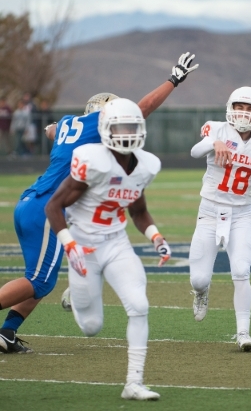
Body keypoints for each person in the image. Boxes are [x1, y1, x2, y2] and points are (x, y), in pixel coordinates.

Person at [0, 52, 198, 353]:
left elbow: (52, 130)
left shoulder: (69, 124)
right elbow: (144, 107)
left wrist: (55, 130)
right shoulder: (98, 125)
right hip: (45, 207)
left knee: (44, 277)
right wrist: (173, 80)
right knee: (39, 281)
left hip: (34, 203)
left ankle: (7, 333)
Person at [45, 98, 169, 401]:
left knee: (139, 305)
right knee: (91, 327)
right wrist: (69, 243)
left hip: (116, 243)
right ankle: (76, 296)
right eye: (119, 126)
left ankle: (133, 383)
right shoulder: (92, 160)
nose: (126, 133)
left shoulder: (146, 165)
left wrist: (156, 237)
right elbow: (54, 206)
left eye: (132, 126)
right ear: (104, 129)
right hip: (84, 247)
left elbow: (138, 211)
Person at [189, 86, 251, 351]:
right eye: (239, 107)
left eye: (250, 109)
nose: (243, 113)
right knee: (198, 279)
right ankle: (201, 293)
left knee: (241, 271)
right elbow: (195, 152)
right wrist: (214, 142)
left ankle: (243, 333)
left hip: (242, 214)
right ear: (230, 108)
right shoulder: (215, 128)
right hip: (209, 211)